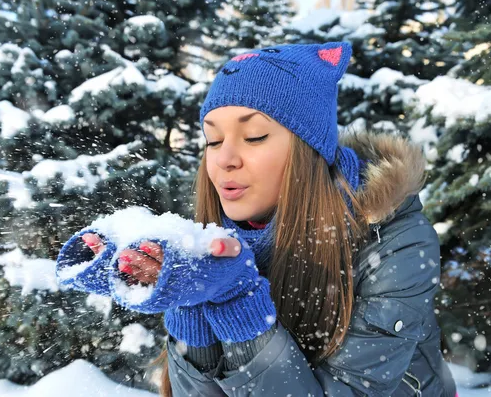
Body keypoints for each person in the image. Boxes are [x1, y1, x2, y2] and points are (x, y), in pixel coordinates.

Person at [68, 41, 458, 396]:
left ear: (309, 151)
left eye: (254, 136)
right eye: (213, 140)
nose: (224, 159)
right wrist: (190, 302)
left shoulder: (393, 240)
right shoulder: (225, 230)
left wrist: (238, 303)